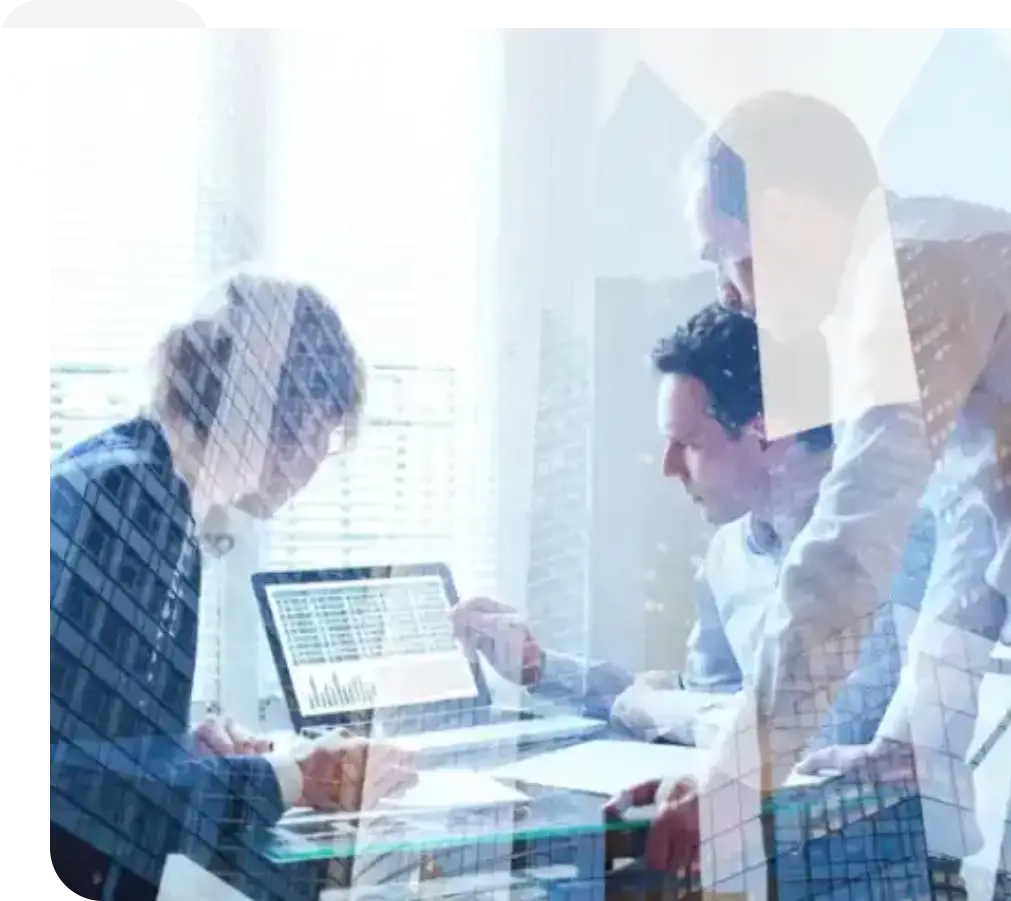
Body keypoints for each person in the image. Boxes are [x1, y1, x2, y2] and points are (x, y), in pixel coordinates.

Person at [609, 91, 1010, 877]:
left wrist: (731, 782)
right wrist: (909, 742)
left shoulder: (909, 268)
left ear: (782, 215)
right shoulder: (933, 258)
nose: (726, 290)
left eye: (719, 253)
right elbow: (978, 524)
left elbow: (849, 548)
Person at [49, 272, 416, 901]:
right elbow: (79, 789)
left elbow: (87, 736)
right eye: (324, 434)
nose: (317, 462)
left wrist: (179, 746)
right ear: (290, 414)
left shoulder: (128, 472)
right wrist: (291, 777)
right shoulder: (135, 501)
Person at [454, 303, 936, 749]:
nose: (669, 466)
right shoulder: (729, 554)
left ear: (765, 434)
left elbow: (819, 736)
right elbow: (701, 700)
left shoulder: (888, 539)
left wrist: (656, 705)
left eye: (688, 443)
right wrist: (542, 669)